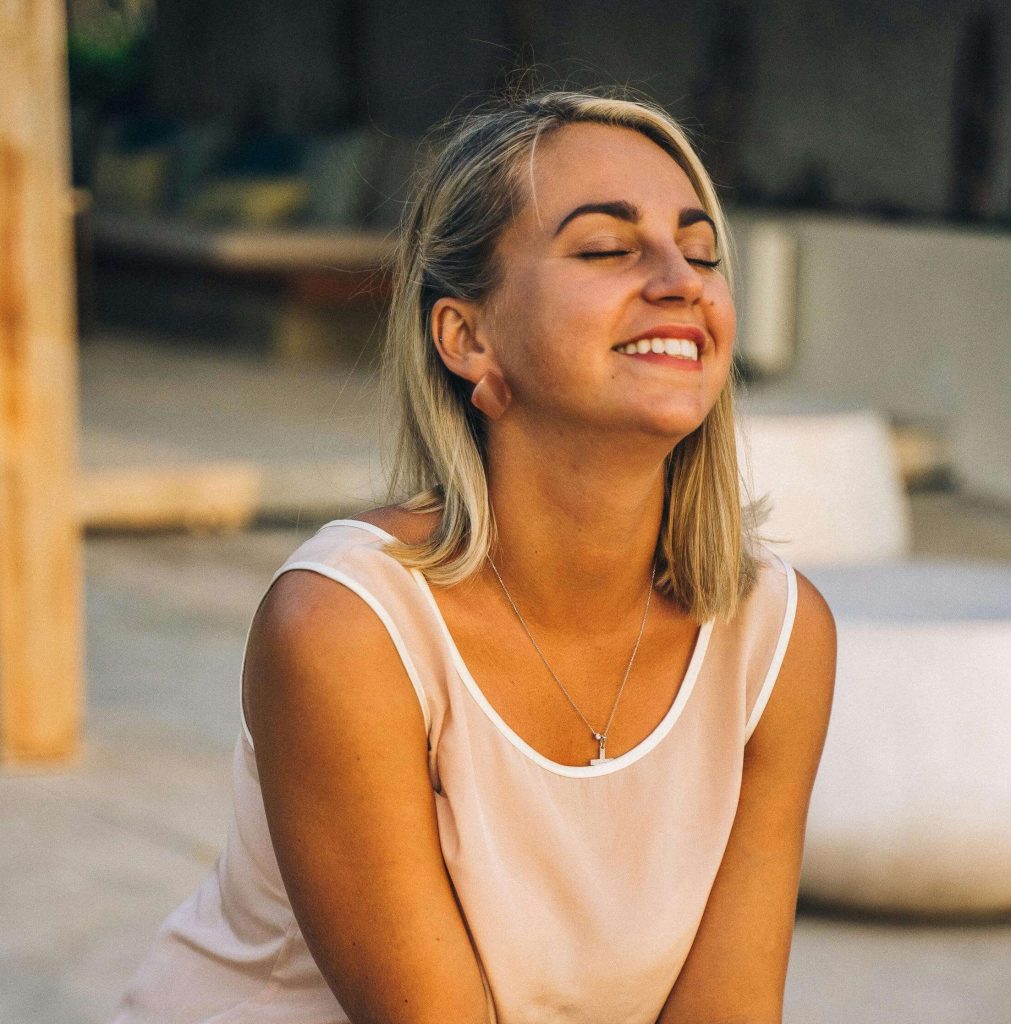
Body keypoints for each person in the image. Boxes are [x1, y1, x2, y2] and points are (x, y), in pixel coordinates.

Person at [111, 88, 835, 1024]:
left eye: (700, 252)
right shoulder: (346, 626)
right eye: (608, 249)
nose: (680, 280)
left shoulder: (775, 637)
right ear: (467, 337)